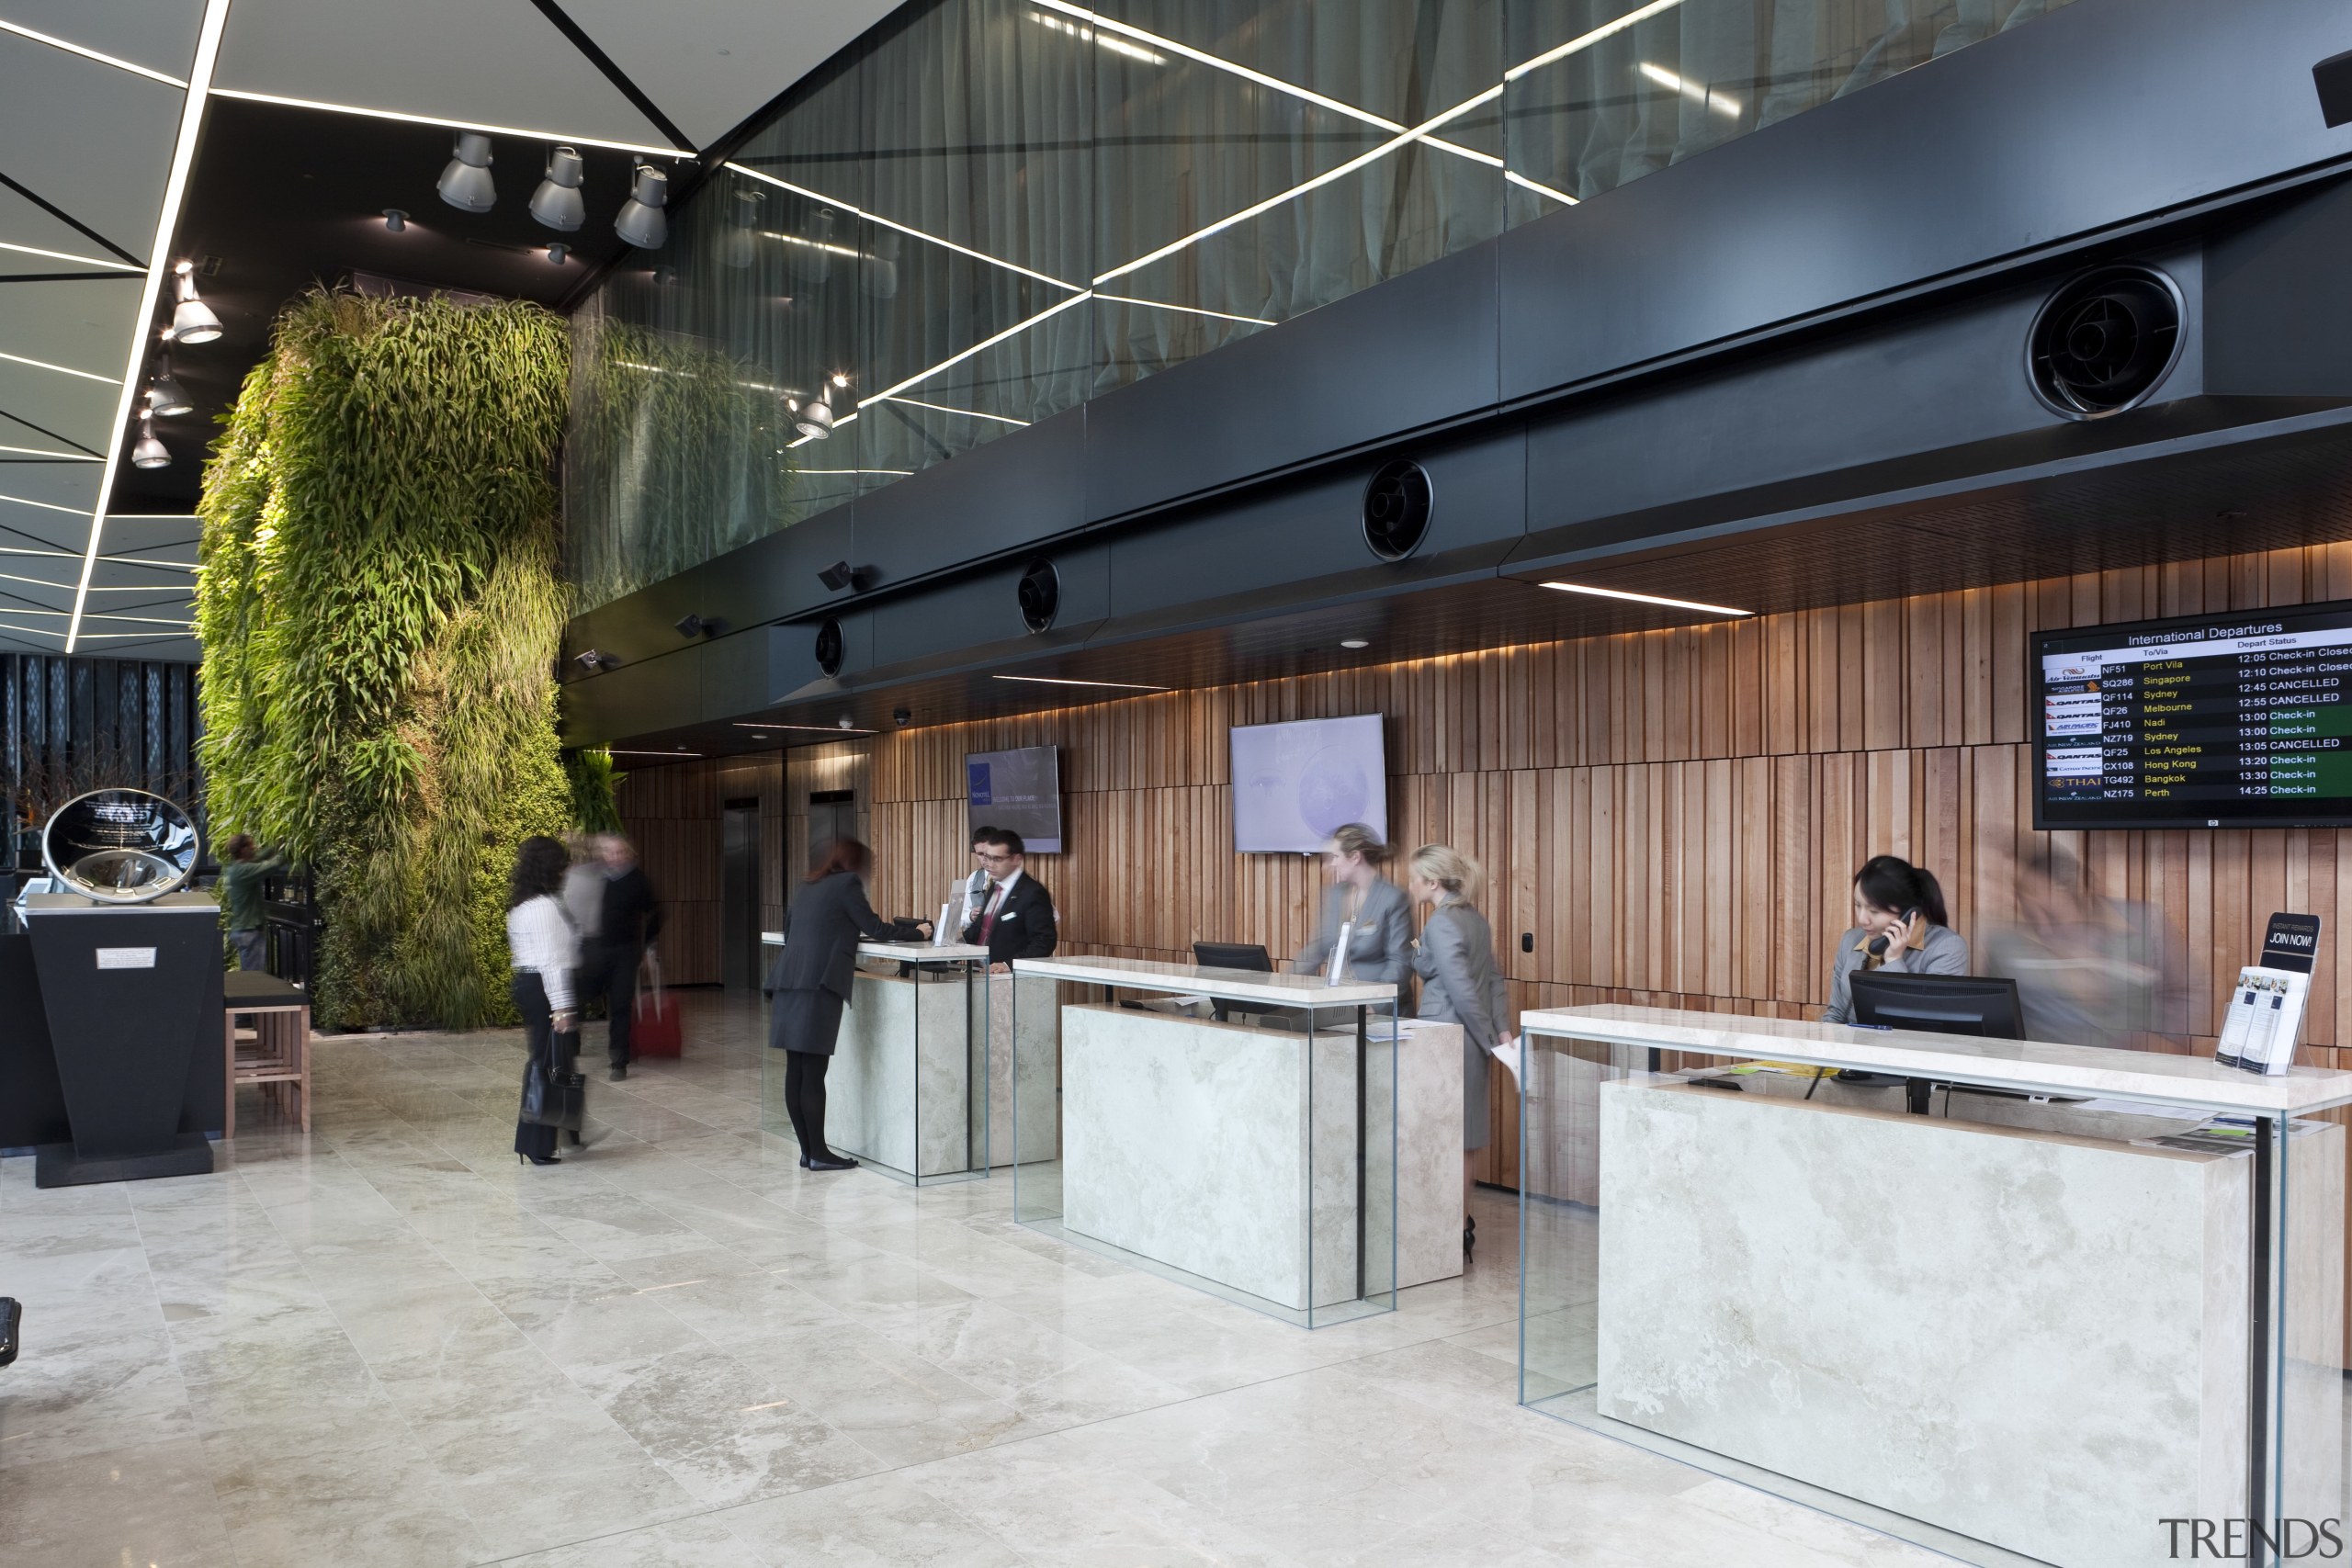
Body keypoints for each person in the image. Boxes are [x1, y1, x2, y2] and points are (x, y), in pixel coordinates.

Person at [1407, 843, 1512, 1259]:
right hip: (1472, 1038)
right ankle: (1460, 1225)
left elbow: (1463, 990)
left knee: (1444, 1138)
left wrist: (1489, 1040)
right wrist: (1501, 1031)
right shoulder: (1475, 920)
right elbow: (1494, 982)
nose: (1410, 884)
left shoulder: (1442, 922)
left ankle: (1449, 1228)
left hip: (1447, 1039)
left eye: (1415, 877)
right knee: (1464, 1140)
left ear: (1432, 882)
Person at [1980, 847, 2179, 1049]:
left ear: (2070, 890)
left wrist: (2166, 1042)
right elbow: (1994, 1013)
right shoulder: (2006, 946)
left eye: (2040, 900)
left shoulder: (2141, 926)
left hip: (2125, 1060)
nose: (2034, 911)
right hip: (2041, 1062)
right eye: (2025, 899)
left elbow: (2185, 992)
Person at [1821, 853, 1971, 1025]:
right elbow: (1836, 1012)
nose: (1862, 919)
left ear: (1908, 912)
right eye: (1858, 905)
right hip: (1854, 1048)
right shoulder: (1851, 940)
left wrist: (1893, 961)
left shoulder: (1946, 947)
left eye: (1874, 911)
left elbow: (1926, 1024)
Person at [507, 835, 580, 1168]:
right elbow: (551, 961)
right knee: (546, 1065)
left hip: (529, 984)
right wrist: (562, 1007)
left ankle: (543, 1141)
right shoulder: (544, 908)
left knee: (544, 1061)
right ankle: (537, 1144)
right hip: (542, 987)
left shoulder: (523, 904)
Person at [1292, 823, 1412, 985]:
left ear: (1355, 857)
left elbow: (1400, 962)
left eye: (1336, 856)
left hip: (1378, 1004)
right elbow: (1317, 948)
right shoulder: (1334, 894)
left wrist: (1376, 1000)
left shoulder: (1393, 898)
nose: (1332, 863)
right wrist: (1286, 983)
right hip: (1342, 1001)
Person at [587, 832, 662, 1081]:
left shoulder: (637, 880)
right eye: (610, 852)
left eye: (620, 852)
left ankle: (619, 1060)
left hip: (625, 952)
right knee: (582, 994)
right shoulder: (595, 879)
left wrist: (649, 945)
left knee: (620, 1005)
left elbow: (656, 912)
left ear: (627, 854)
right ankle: (567, 1046)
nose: (615, 857)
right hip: (597, 949)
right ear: (603, 855)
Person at [960, 828, 1057, 974]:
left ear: (1016, 859)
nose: (990, 864)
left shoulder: (1032, 892)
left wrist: (1008, 965)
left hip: (1011, 978)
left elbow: (1044, 941)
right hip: (982, 974)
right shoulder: (995, 887)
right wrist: (949, 945)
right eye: (988, 857)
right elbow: (978, 930)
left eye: (997, 859)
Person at [218, 834, 284, 972]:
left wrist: (277, 844)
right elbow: (273, 864)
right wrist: (288, 847)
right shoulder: (243, 871)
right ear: (243, 850)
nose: (254, 847)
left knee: (250, 972)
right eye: (250, 845)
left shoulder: (234, 868)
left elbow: (258, 858)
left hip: (242, 929)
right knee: (254, 976)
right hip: (249, 930)